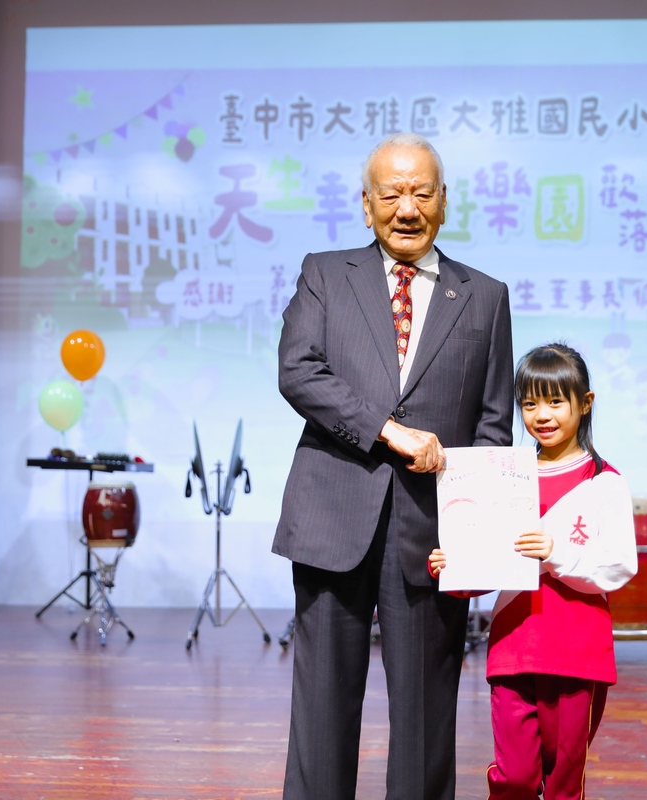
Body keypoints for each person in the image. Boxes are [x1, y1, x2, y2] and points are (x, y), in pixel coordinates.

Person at [273, 131, 514, 800]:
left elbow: (494, 426)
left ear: (443, 202)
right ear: (366, 203)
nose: (406, 207)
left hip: (432, 538)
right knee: (321, 710)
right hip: (332, 520)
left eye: (421, 192)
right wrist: (389, 432)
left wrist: (478, 545)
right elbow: (298, 373)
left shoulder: (485, 297)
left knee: (426, 717)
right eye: (391, 193)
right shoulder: (325, 273)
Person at [429, 343, 639, 800]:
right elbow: (493, 556)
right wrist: (456, 566)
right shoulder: (503, 477)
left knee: (564, 779)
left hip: (578, 649)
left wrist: (556, 552)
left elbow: (621, 564)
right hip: (514, 644)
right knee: (517, 777)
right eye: (529, 404)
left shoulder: (604, 483)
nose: (541, 415)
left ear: (585, 404)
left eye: (555, 401)